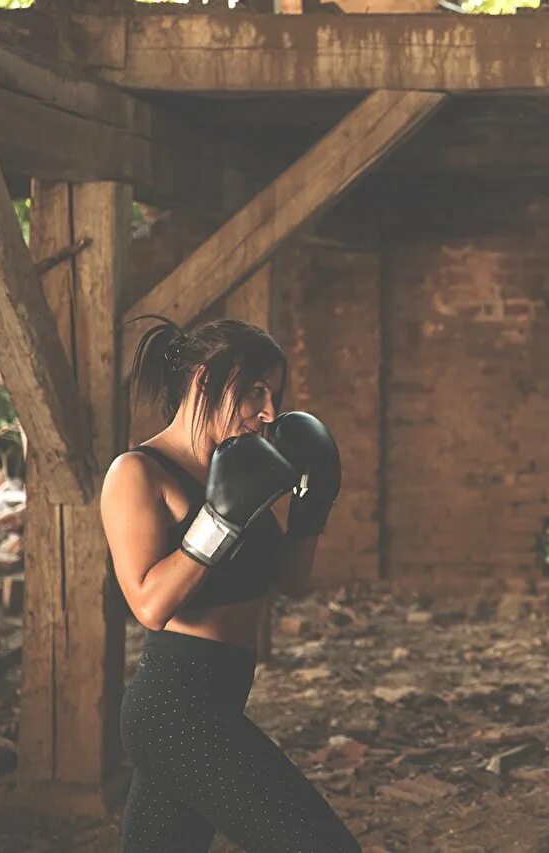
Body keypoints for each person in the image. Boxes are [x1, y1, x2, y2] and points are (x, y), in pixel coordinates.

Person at [101, 316, 358, 853]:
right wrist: (216, 522)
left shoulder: (242, 470)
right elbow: (149, 605)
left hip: (221, 695)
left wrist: (314, 505)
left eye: (275, 393)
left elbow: (290, 582)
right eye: (255, 391)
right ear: (204, 380)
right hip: (175, 709)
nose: (269, 411)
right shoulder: (138, 472)